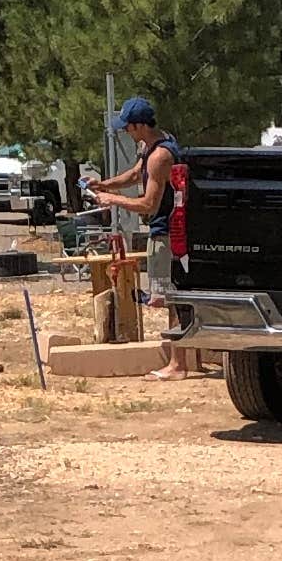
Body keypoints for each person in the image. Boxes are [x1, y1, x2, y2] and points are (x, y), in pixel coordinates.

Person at [91, 93, 190, 371]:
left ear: (140, 126)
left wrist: (112, 201)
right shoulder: (150, 148)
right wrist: (104, 186)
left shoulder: (160, 156)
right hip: (162, 232)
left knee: (171, 298)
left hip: (167, 233)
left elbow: (149, 203)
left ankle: (177, 364)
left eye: (127, 126)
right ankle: (180, 360)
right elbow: (135, 175)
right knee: (170, 297)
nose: (124, 131)